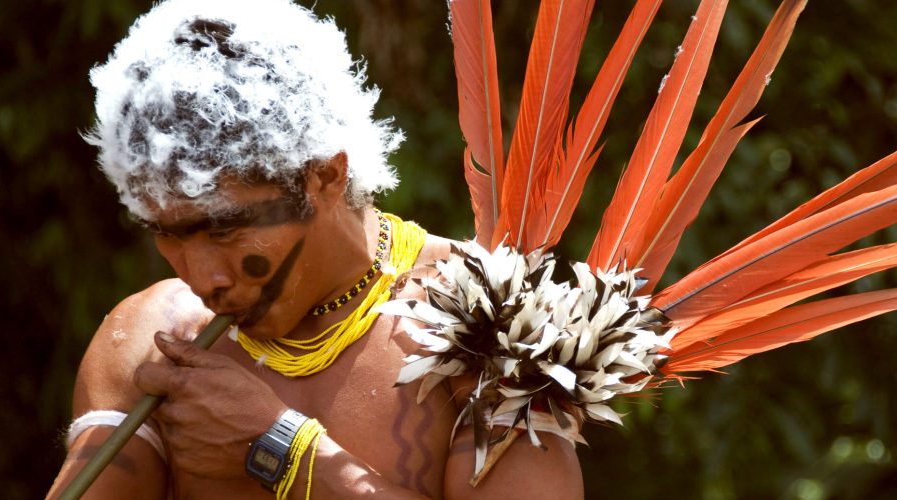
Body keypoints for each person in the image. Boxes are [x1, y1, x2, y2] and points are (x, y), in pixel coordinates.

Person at [46, 0, 583, 498]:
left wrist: (284, 449)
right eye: (167, 233)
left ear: (325, 174)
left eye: (227, 229)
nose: (203, 279)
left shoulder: (491, 331)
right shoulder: (152, 341)